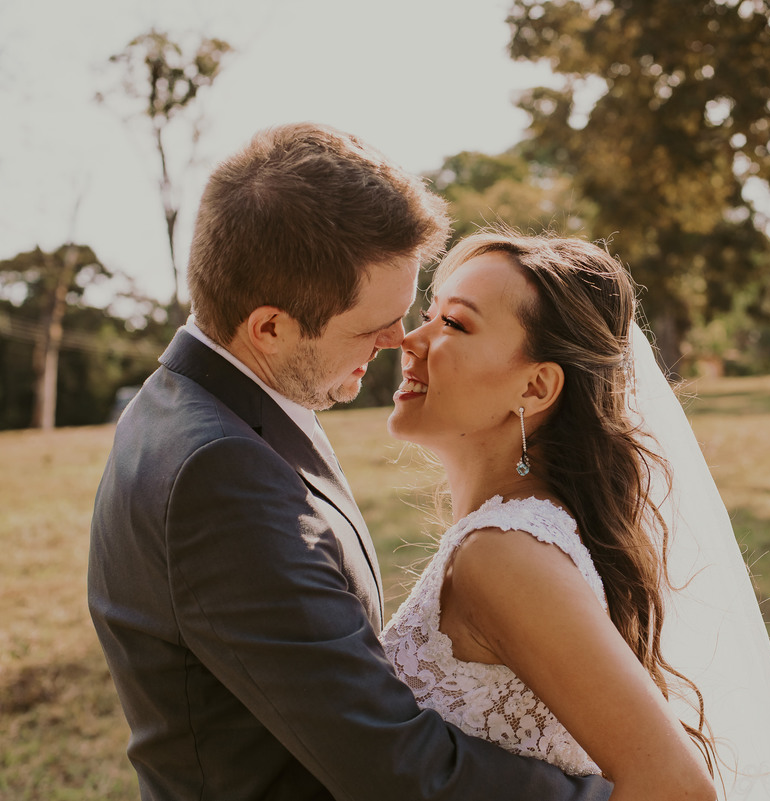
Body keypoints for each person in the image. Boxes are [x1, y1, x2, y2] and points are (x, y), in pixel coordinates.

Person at [88, 124, 612, 801]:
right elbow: (390, 762)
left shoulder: (204, 400)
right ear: (270, 327)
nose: (402, 342)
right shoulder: (218, 472)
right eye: (373, 327)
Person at [383, 231, 770, 800]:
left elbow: (677, 789)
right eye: (428, 315)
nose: (410, 340)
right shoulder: (512, 534)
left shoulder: (503, 552)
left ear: (535, 386)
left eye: (454, 325)